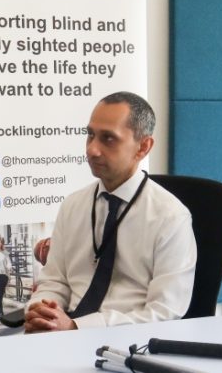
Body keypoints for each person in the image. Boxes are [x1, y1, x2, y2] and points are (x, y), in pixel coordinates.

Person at [25, 92, 196, 332]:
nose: (92, 150)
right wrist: (42, 311)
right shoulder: (73, 205)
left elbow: (164, 311)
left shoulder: (170, 217)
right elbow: (54, 280)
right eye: (90, 135)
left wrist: (76, 326)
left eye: (108, 139)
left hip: (129, 341)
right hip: (62, 334)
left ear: (143, 147)